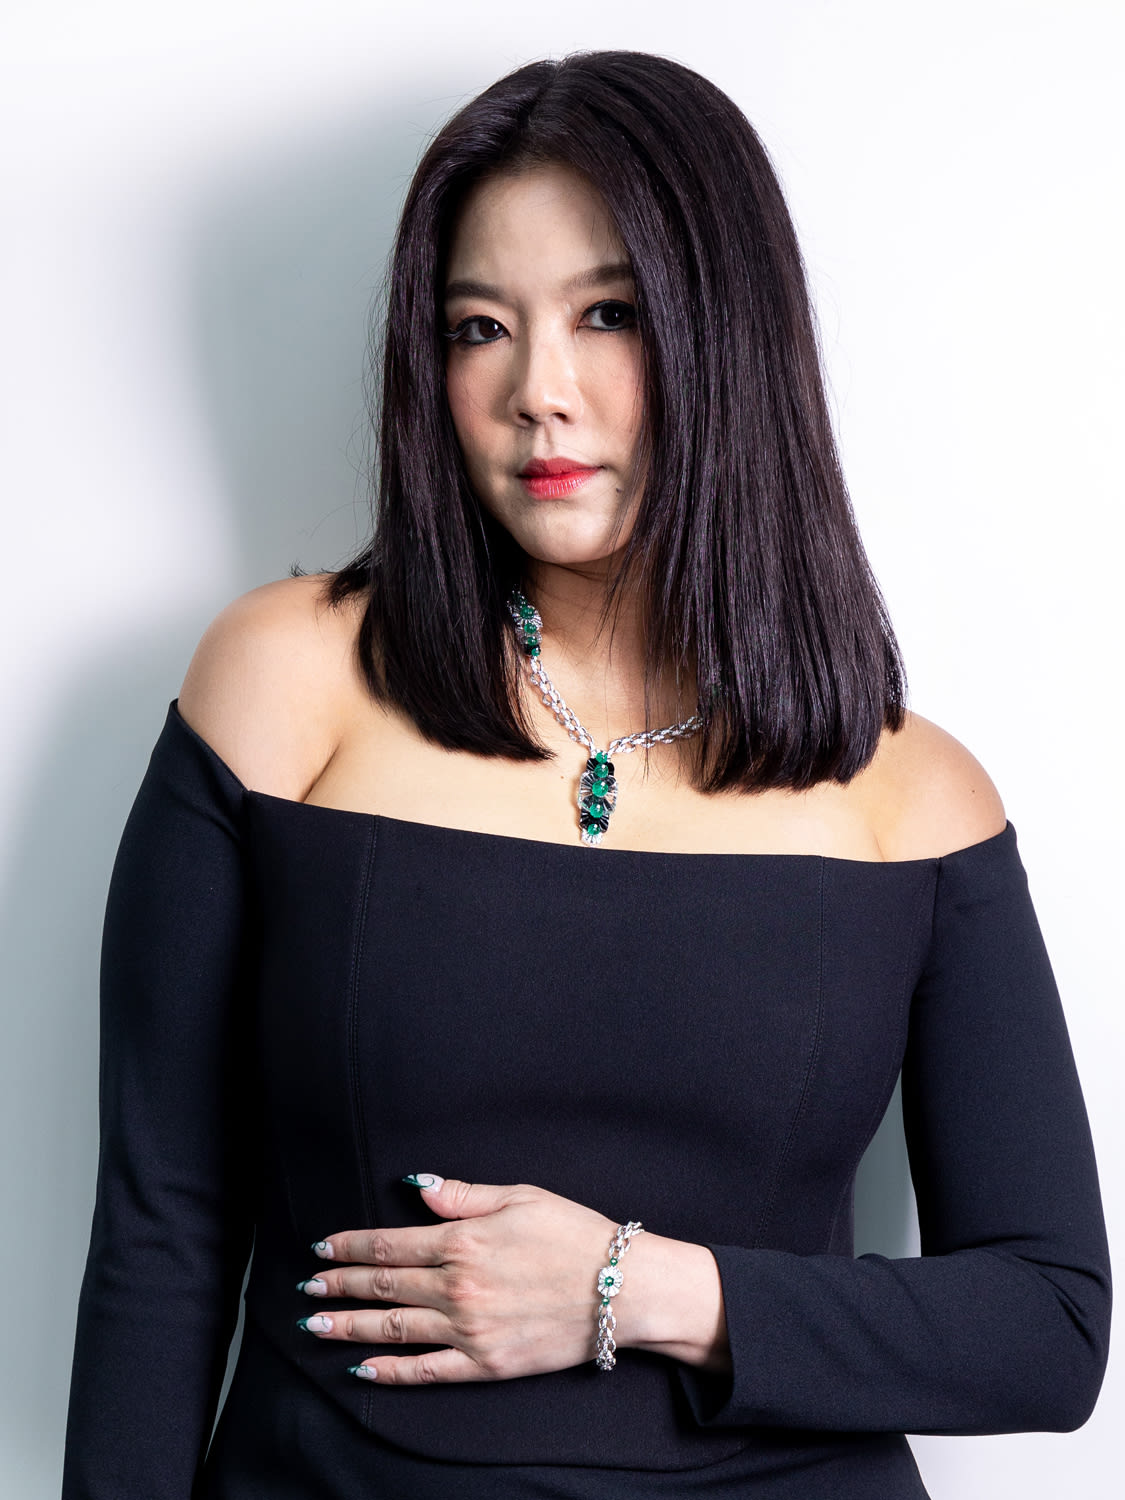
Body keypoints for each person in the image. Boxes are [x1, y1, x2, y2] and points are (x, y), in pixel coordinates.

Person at [62, 49, 1110, 1500]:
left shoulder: (909, 797)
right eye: (479, 327)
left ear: (726, 336)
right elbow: (161, 1235)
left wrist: (633, 1288)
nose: (537, 394)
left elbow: (1048, 1327)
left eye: (608, 314)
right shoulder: (284, 686)